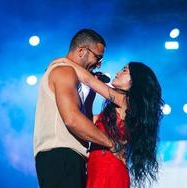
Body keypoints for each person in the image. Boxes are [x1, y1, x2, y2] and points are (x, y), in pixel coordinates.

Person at [33, 29, 120, 188]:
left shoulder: (72, 74)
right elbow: (72, 119)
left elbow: (81, 117)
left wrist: (90, 94)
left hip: (69, 157)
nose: (99, 63)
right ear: (81, 51)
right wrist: (111, 144)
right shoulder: (64, 71)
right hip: (61, 155)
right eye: (98, 57)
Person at [63, 59, 164, 187]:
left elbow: (88, 80)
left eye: (124, 70)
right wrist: (92, 94)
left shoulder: (126, 102)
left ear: (135, 81)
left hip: (109, 170)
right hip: (98, 169)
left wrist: (63, 62)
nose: (117, 73)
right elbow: (86, 120)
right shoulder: (114, 110)